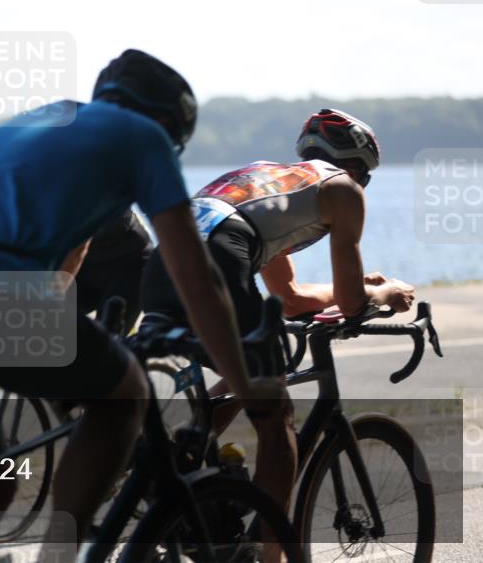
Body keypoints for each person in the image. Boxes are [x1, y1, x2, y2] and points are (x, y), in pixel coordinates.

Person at [0, 49, 285, 555]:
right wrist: (243, 383)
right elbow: (197, 278)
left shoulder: (50, 120)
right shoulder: (142, 135)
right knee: (125, 393)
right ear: (164, 123)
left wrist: (51, 315)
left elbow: (69, 245)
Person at [141, 107, 416, 527]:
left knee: (244, 372)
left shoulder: (266, 179)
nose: (363, 183)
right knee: (277, 418)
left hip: (164, 263)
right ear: (357, 167)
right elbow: (351, 302)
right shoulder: (343, 189)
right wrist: (384, 292)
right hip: (221, 259)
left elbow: (289, 297)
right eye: (367, 175)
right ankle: (273, 553)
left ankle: (176, 465)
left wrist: (360, 283)